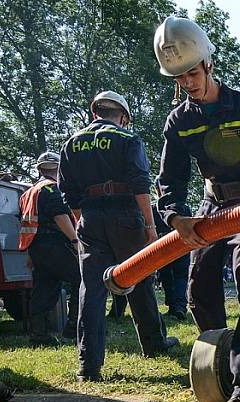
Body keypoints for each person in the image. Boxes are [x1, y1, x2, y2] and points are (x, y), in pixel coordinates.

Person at [154, 16, 240, 402]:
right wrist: (176, 216)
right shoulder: (179, 121)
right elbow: (170, 178)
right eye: (179, 77)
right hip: (211, 209)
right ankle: (223, 364)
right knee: (198, 292)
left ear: (209, 65)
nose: (188, 83)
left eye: (193, 72)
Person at [57, 91, 179, 382]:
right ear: (123, 117)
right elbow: (140, 184)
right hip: (125, 215)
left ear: (94, 112)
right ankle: (154, 343)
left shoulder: (71, 144)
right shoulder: (127, 139)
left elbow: (67, 192)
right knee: (138, 279)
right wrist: (150, 227)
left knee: (91, 288)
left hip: (89, 218)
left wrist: (83, 223)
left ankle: (89, 365)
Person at [18, 151, 80, 345]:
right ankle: (74, 327)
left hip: (37, 248)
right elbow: (60, 216)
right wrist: (75, 240)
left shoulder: (28, 193)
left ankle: (39, 335)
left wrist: (30, 253)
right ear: (58, 168)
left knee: (43, 288)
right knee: (82, 278)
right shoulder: (52, 188)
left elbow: (28, 224)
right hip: (56, 244)